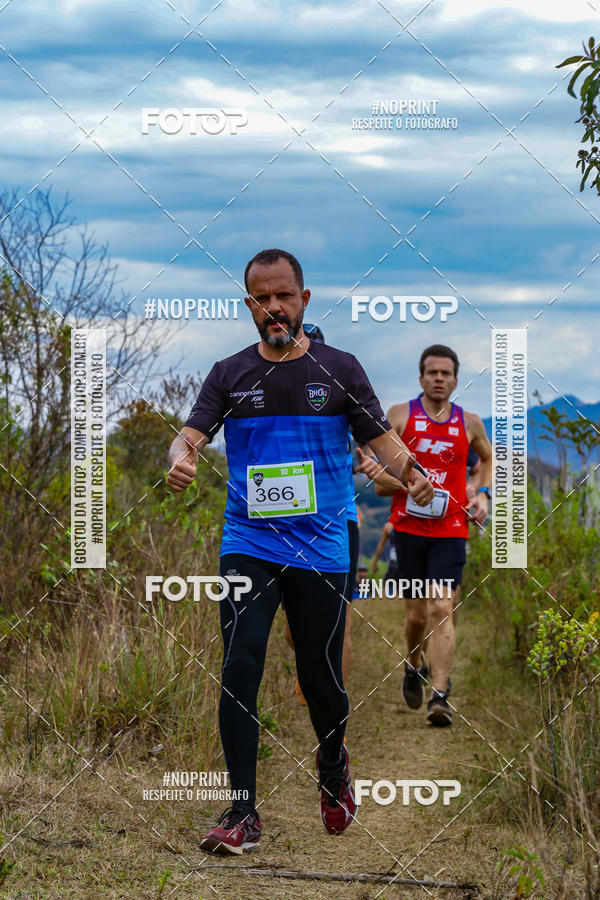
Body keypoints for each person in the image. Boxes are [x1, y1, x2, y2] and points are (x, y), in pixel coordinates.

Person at [166, 249, 434, 853]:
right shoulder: (228, 373)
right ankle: (241, 813)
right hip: (249, 542)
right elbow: (189, 437)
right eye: (261, 299)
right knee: (240, 666)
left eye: (284, 296)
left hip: (320, 547)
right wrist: (179, 460)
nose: (274, 308)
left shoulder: (340, 368)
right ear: (249, 306)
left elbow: (382, 440)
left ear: (305, 300)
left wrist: (414, 475)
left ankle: (333, 763)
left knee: (321, 677)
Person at [357, 345, 492, 727]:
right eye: (432, 372)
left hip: (450, 529)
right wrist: (383, 475)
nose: (438, 379)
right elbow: (372, 458)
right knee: (416, 616)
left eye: (445, 373)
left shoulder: (470, 423)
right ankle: (413, 663)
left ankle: (440, 695)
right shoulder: (401, 416)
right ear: (421, 378)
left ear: (455, 380)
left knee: (441, 608)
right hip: (408, 528)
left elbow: (488, 458)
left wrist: (481, 493)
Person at [281, 323, 361, 705]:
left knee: (338, 621)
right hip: (279, 528)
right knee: (294, 630)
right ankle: (309, 668)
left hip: (337, 522)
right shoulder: (271, 397)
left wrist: (376, 464)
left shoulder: (339, 398)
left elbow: (372, 443)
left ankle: (333, 707)